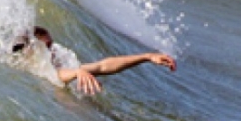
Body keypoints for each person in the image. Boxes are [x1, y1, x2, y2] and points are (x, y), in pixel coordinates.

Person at [14, 26, 176, 95]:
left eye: (51, 45)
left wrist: (146, 57)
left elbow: (103, 66)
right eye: (47, 47)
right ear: (31, 49)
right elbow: (58, 75)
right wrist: (77, 72)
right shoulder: (30, 66)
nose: (52, 50)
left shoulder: (51, 64)